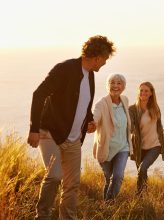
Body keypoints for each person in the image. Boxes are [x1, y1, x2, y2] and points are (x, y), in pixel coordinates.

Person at [27, 35, 116, 220]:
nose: (105, 63)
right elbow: (39, 94)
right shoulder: (65, 69)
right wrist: (34, 129)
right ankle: (42, 216)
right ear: (98, 57)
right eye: (105, 59)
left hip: (74, 139)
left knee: (72, 184)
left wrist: (90, 120)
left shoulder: (90, 75)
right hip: (50, 133)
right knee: (54, 176)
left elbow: (83, 103)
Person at [92, 74, 133, 201]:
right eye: (112, 83)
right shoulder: (101, 104)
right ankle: (106, 208)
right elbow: (95, 117)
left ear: (123, 87)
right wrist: (92, 124)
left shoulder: (125, 100)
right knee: (108, 178)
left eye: (119, 83)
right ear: (108, 85)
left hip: (123, 147)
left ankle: (109, 204)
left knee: (118, 176)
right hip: (106, 148)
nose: (115, 85)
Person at [129, 82, 164, 195]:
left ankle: (139, 195)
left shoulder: (155, 109)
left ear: (151, 93)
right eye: (141, 90)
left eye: (146, 91)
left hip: (155, 146)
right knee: (141, 172)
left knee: (142, 168)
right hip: (139, 147)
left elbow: (160, 127)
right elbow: (129, 127)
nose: (143, 93)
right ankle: (144, 196)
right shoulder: (132, 109)